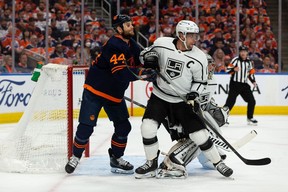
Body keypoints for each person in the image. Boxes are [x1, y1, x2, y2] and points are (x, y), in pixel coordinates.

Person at [134, 20, 233, 179]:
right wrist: (148, 58)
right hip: (159, 96)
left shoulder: (199, 57)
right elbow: (144, 53)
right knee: (147, 128)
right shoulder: (161, 43)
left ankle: (218, 162)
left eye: (196, 35)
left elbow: (201, 82)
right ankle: (151, 163)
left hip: (182, 101)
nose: (196, 39)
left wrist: (194, 93)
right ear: (181, 35)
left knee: (199, 135)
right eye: (192, 35)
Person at [65, 14, 157, 174]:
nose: (131, 27)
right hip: (95, 91)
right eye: (128, 25)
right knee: (87, 127)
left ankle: (116, 158)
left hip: (114, 93)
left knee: (123, 127)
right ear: (119, 29)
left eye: (131, 24)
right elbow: (120, 72)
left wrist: (152, 65)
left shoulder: (131, 44)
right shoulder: (114, 45)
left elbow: (141, 60)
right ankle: (75, 157)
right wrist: (143, 73)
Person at [156, 54, 229, 178]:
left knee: (207, 129)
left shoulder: (211, 81)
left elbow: (206, 102)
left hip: (191, 118)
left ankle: (206, 157)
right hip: (176, 118)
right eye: (208, 65)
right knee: (200, 132)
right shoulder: (189, 81)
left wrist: (215, 110)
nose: (211, 68)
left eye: (212, 64)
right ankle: (171, 163)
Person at [224, 45, 258, 125]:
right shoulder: (235, 60)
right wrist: (233, 69)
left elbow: (251, 73)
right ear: (239, 52)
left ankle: (250, 117)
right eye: (241, 51)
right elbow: (228, 70)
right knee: (230, 102)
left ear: (247, 53)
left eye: (244, 51)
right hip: (235, 84)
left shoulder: (249, 62)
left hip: (244, 85)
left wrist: (253, 81)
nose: (243, 53)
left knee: (252, 101)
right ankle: (222, 118)